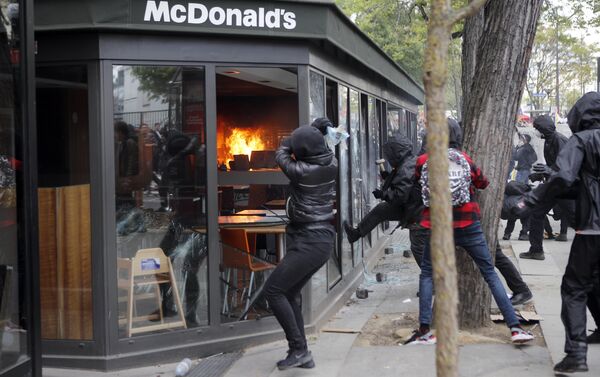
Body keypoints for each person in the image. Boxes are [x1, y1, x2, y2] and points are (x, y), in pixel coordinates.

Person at [405, 120, 534, 345]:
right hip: (468, 225)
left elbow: (416, 181)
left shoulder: (424, 160)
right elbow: (483, 182)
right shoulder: (464, 159)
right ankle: (515, 328)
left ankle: (424, 330)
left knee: (427, 274)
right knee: (489, 273)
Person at [515, 92, 600, 373]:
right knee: (593, 281)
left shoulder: (581, 140)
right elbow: (581, 184)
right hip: (591, 223)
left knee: (574, 288)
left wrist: (533, 200)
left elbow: (565, 178)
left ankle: (576, 354)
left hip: (593, 228)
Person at [263, 120, 337, 370]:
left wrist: (302, 133)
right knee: (289, 293)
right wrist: (313, 131)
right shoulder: (331, 162)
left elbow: (280, 152)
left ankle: (298, 349)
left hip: (310, 241)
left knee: (273, 292)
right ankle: (301, 352)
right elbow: (317, 145)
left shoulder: (301, 171)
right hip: (319, 239)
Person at [343, 135, 416, 244]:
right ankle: (356, 233)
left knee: (381, 210)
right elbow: (401, 181)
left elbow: (400, 195)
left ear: (396, 152)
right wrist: (387, 176)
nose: (388, 158)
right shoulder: (408, 162)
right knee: (382, 210)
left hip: (411, 208)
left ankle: (356, 234)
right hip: (412, 206)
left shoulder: (405, 167)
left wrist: (383, 195)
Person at [520, 115, 573, 260]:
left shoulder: (559, 140)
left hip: (564, 188)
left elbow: (566, 167)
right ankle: (536, 250)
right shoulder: (548, 141)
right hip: (553, 185)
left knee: (578, 220)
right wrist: (540, 175)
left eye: (537, 128)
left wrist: (548, 171)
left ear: (543, 129)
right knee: (536, 212)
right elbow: (553, 166)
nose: (535, 131)